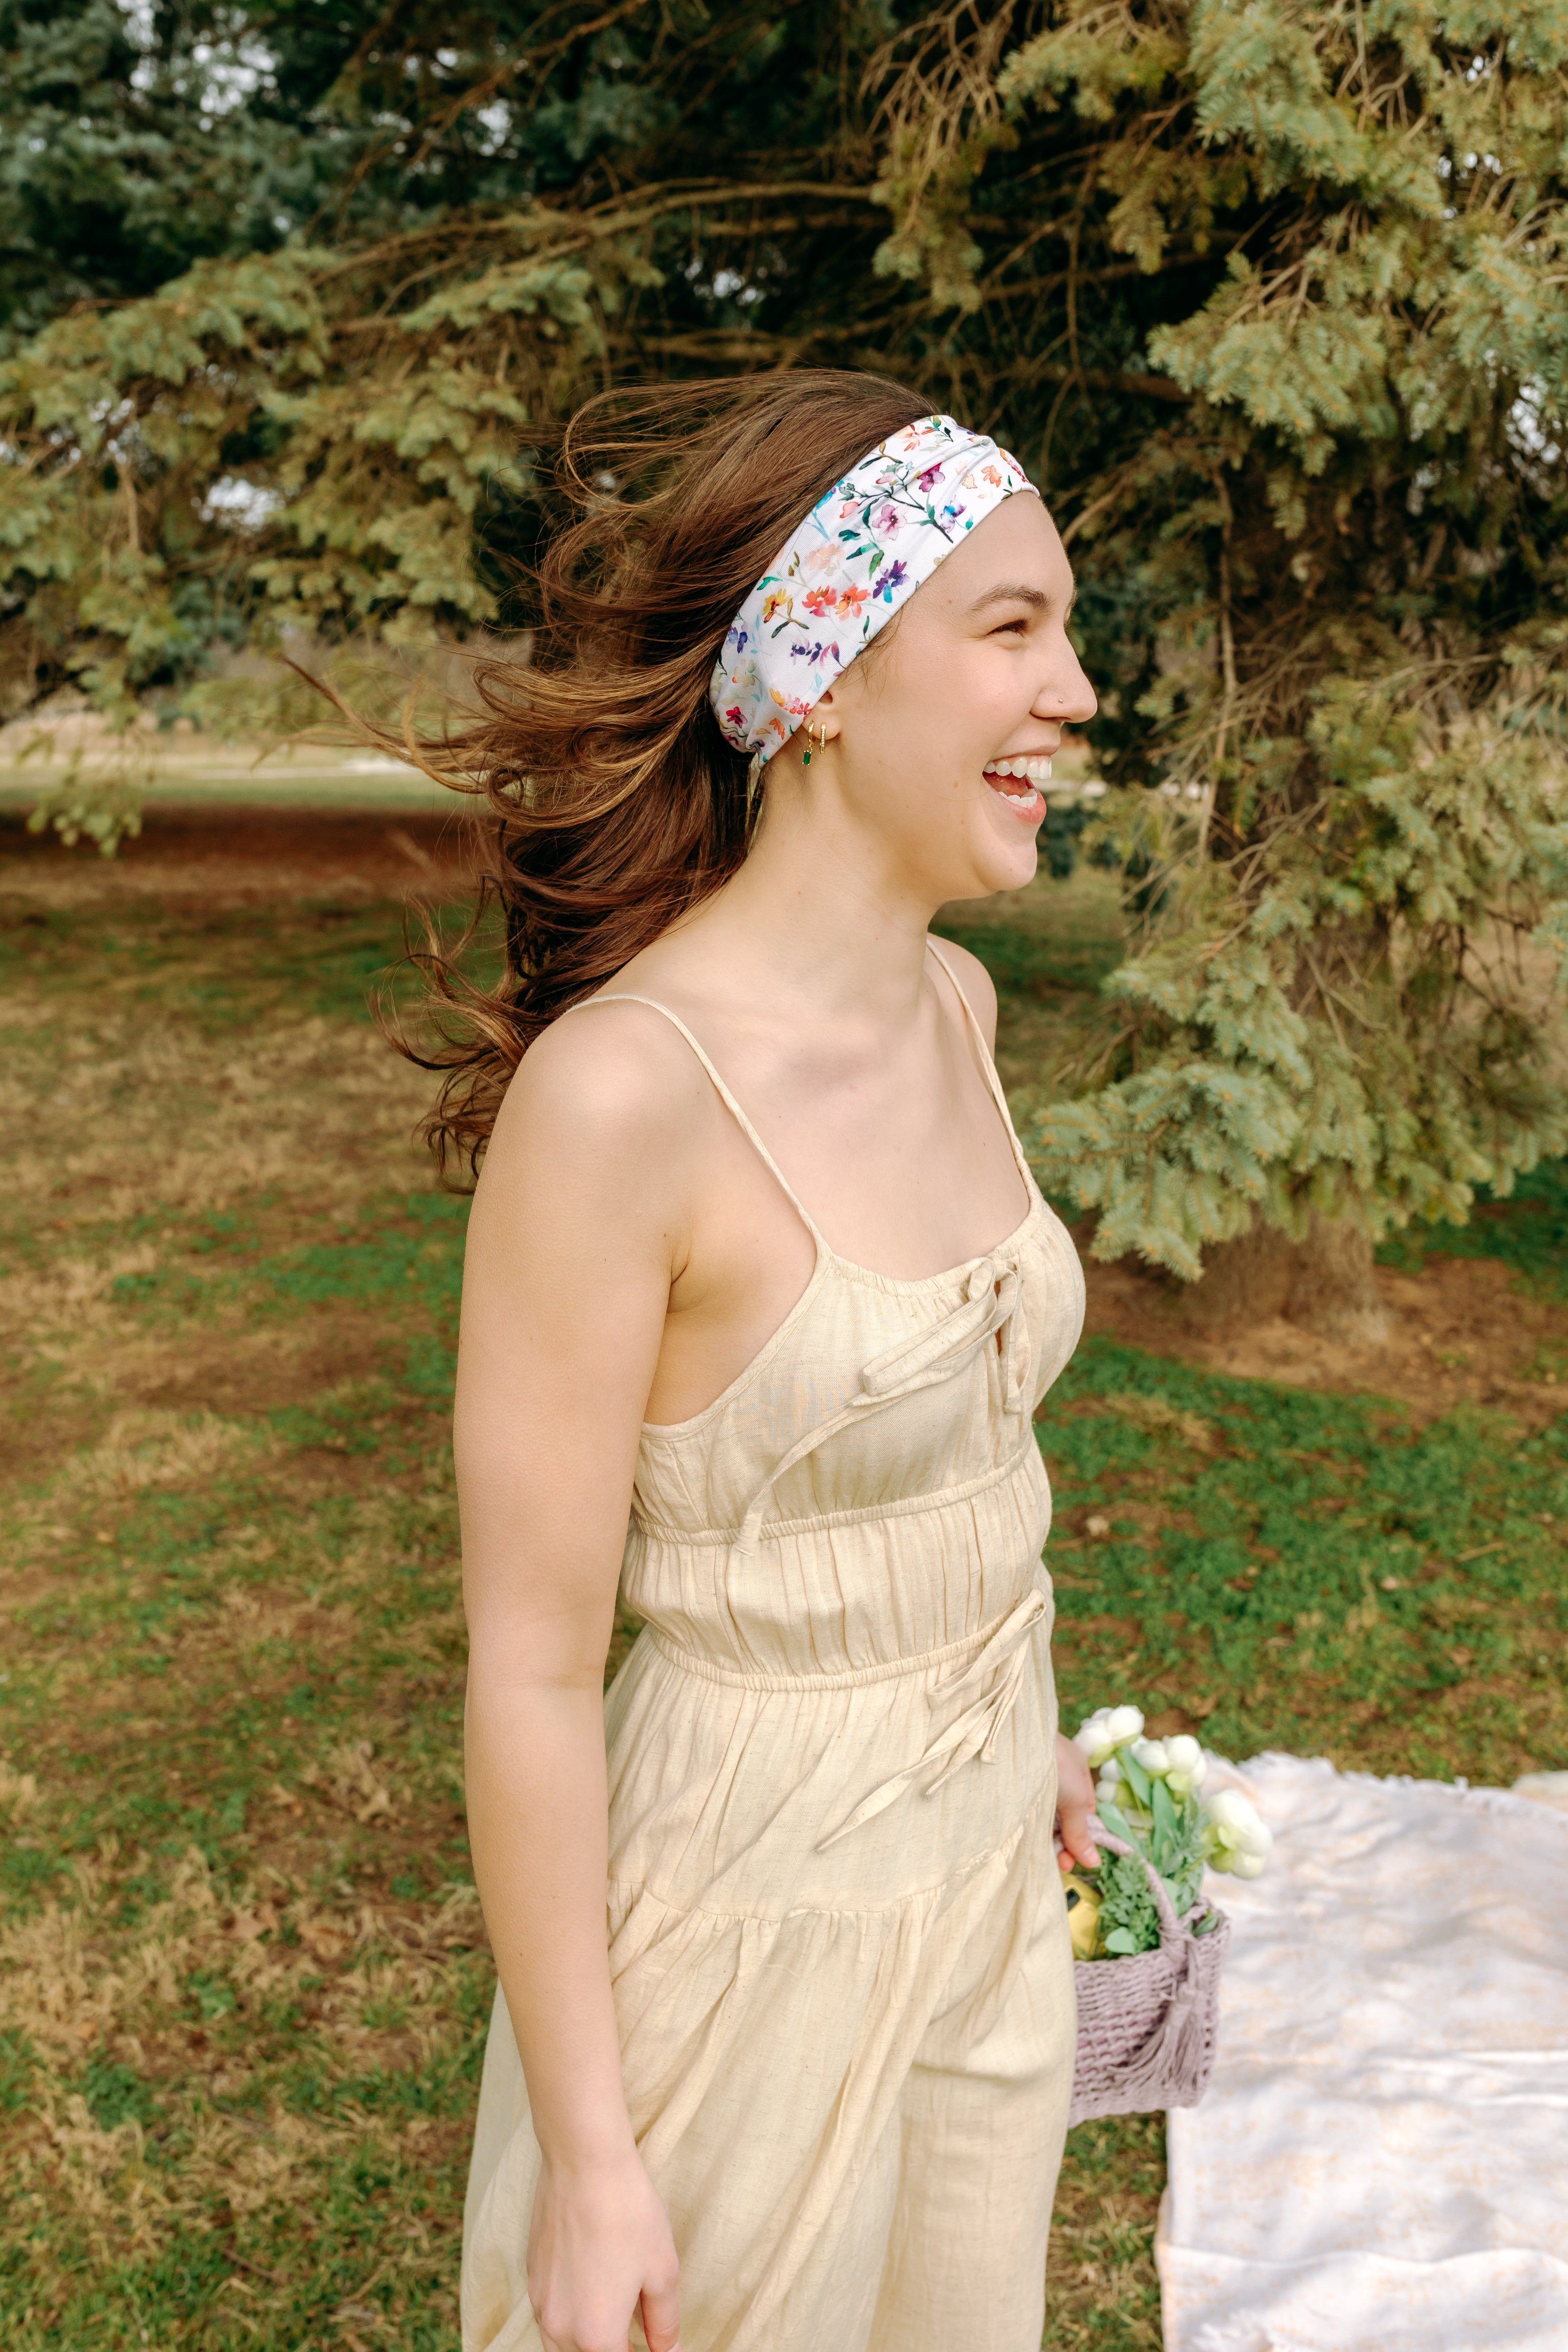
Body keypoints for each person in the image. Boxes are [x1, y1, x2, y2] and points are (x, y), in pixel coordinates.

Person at [438, 373, 1101, 2352]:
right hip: (739, 1936)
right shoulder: (624, 1101)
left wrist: (1012, 1735)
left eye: (1067, 630)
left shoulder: (962, 1007)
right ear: (822, 674)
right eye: (1014, 630)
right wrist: (595, 2157)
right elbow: (535, 1670)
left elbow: (956, 1468)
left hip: (985, 1906)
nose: (1075, 690)